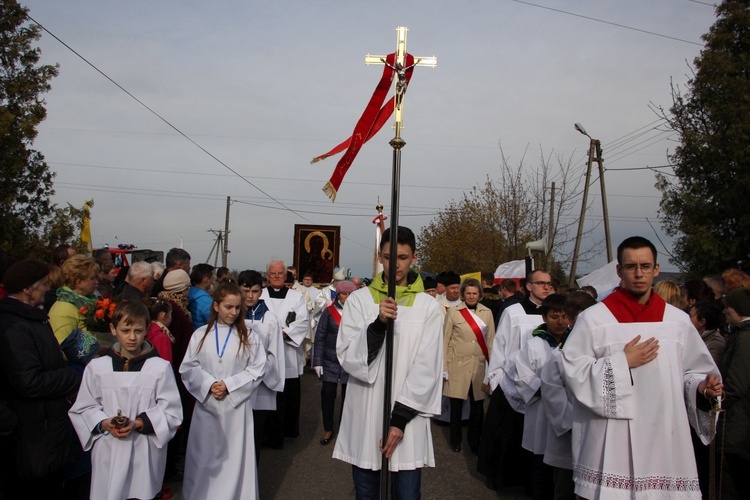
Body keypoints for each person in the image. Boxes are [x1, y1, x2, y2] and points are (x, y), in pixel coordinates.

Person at [561, 236, 722, 499]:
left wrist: (703, 386)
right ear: (619, 271)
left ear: (656, 269)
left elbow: (692, 372)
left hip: (664, 436)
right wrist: (622, 363)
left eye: (646, 266)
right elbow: (573, 373)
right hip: (612, 438)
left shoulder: (677, 322)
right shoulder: (595, 319)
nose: (639, 273)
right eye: (631, 267)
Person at [333, 227, 443, 499]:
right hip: (367, 407)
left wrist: (399, 419)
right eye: (387, 257)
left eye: (403, 257)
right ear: (379, 257)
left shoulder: (427, 307)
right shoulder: (359, 300)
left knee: (407, 493)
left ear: (414, 258)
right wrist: (378, 325)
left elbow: (428, 367)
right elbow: (347, 353)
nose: (395, 265)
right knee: (367, 491)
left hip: (407, 416)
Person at [68, 301, 182, 500]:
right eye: (125, 330)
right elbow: (84, 407)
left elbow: (171, 411)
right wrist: (104, 422)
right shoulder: (97, 367)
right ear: (113, 329)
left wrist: (139, 423)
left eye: (138, 330)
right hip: (108, 450)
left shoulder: (159, 368)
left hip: (143, 449)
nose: (132, 337)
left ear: (147, 329)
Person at [0, 260, 82, 498]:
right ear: (27, 289)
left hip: (45, 426)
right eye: (44, 284)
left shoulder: (33, 317)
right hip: (31, 432)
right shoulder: (14, 325)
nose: (48, 289)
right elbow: (29, 381)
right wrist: (73, 375)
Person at [179, 282, 266, 499]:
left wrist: (229, 385)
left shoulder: (250, 336)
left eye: (237, 308)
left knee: (234, 460)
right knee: (203, 458)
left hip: (236, 408)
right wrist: (209, 384)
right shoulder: (200, 334)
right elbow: (189, 367)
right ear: (216, 306)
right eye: (228, 307)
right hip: (207, 405)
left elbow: (257, 369)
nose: (233, 312)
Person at [478, 269, 552, 491]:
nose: (546, 287)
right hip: (512, 383)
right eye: (541, 283)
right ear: (529, 286)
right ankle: (500, 478)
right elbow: (500, 345)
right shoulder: (513, 312)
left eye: (549, 284)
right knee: (505, 435)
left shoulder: (554, 313)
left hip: (542, 385)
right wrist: (497, 379)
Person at [505, 294, 569, 499]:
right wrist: (551, 391)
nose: (560, 322)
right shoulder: (534, 345)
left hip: (568, 412)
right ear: (544, 317)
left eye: (564, 316)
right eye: (554, 316)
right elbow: (523, 377)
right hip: (542, 412)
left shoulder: (574, 343)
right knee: (541, 467)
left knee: (564, 469)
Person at [539, 291, 597, 500]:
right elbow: (552, 392)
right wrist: (574, 422)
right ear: (572, 320)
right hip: (570, 432)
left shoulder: (601, 348)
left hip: (597, 431)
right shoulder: (561, 353)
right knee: (565, 487)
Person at [443, 278, 495, 454]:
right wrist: (444, 367)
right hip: (457, 364)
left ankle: (474, 442)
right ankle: (455, 440)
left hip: (479, 366)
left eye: (475, 293)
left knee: (477, 407)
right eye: (468, 293)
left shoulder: (487, 313)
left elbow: (491, 341)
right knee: (456, 406)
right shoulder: (454, 312)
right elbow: (445, 340)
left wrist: (493, 367)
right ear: (463, 294)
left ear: (479, 294)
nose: (472, 296)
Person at [261, 260, 309, 447]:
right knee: (266, 394)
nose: (276, 276)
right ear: (267, 275)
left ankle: (287, 430)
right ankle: (267, 433)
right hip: (264, 353)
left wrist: (284, 333)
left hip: (288, 352)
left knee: (287, 395)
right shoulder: (260, 296)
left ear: (286, 275)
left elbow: (303, 322)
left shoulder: (296, 298)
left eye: (280, 273)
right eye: (272, 273)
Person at [238, 270, 284, 464]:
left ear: (261, 291)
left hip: (260, 385)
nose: (250, 296)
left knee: (254, 437)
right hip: (235, 385)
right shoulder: (232, 315)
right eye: (246, 290)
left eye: (255, 291)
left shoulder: (269, 319)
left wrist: (259, 370)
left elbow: (276, 354)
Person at [313, 279, 357, 446]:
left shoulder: (358, 312)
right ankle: (328, 428)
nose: (347, 297)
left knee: (349, 398)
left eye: (350, 294)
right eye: (344, 294)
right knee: (328, 395)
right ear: (338, 295)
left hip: (350, 362)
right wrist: (317, 361)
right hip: (329, 360)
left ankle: (346, 431)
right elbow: (320, 336)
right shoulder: (328, 312)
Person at [719, 287, 750, 499]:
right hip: (738, 422)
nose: (724, 311)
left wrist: (717, 404)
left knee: (740, 486)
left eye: (727, 306)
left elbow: (737, 383)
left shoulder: (746, 338)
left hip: (740, 424)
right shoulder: (740, 334)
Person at [144, 297, 175, 363]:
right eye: (170, 313)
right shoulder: (162, 338)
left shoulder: (144, 330)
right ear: (163, 315)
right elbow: (165, 365)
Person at [187, 263, 215, 330]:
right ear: (206, 279)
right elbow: (213, 323)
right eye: (211, 278)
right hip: (203, 334)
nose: (212, 281)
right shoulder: (207, 301)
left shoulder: (188, 293)